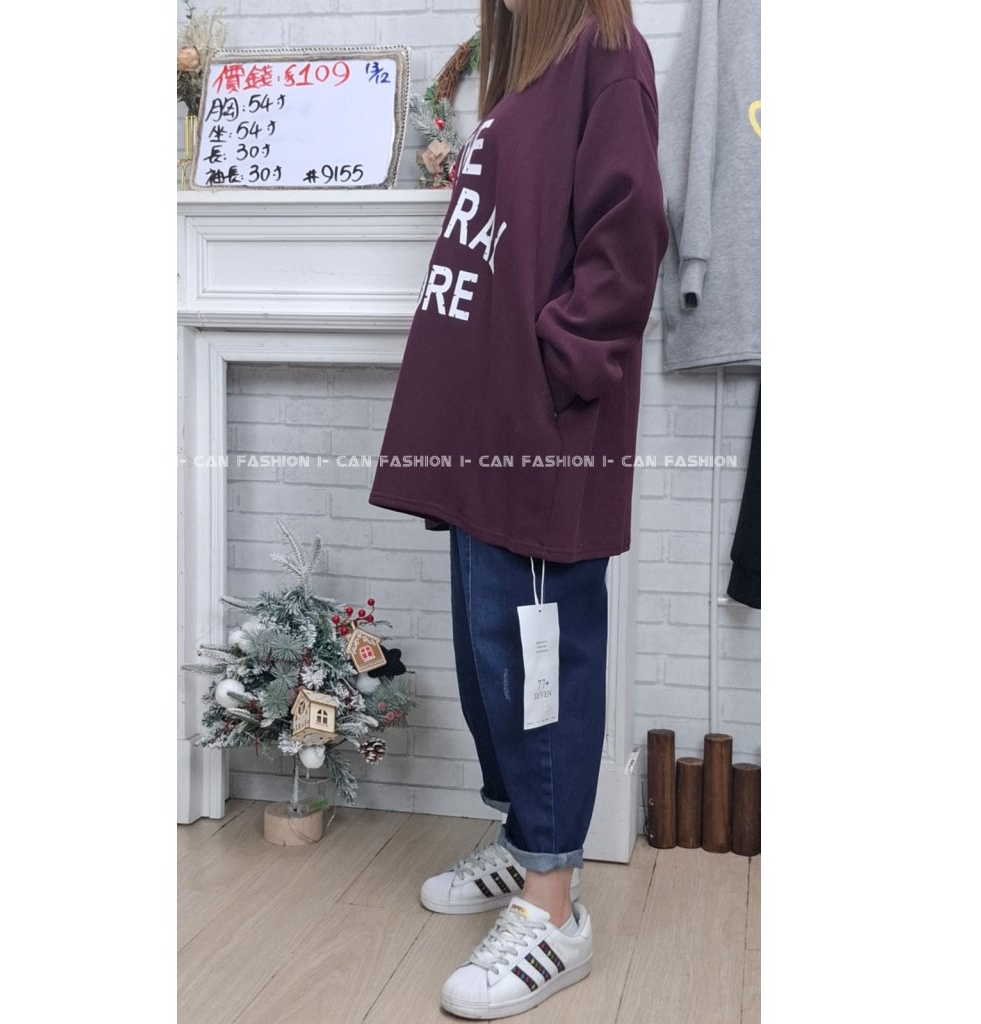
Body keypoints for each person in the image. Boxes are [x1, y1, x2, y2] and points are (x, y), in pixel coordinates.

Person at [368, 0, 667, 1016]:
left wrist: (557, 371)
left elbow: (628, 240)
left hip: (538, 427)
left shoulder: (607, 57)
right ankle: (521, 839)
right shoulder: (524, 71)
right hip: (480, 417)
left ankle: (553, 908)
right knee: (488, 646)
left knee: (541, 661)